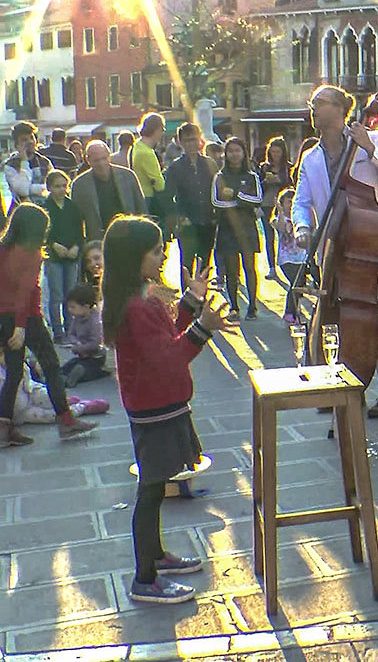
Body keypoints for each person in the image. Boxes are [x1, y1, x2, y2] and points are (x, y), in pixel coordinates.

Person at [101, 215, 232, 604]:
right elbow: (169, 356)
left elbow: (168, 333)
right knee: (152, 488)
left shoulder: (141, 295)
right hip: (154, 404)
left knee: (157, 487)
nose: (163, 256)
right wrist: (204, 328)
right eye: (156, 250)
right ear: (134, 256)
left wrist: (191, 302)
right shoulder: (137, 305)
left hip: (159, 402)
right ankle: (145, 579)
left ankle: (156, 556)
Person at [292, 83, 378, 418]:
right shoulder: (310, 156)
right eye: (312, 104)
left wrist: (370, 150)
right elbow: (301, 201)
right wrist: (302, 227)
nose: (313, 109)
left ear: (341, 109)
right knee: (331, 316)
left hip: (368, 244)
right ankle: (335, 383)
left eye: (320, 103)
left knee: (374, 318)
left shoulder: (367, 142)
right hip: (331, 247)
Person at [0, 203, 98, 447]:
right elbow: (26, 292)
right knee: (52, 366)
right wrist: (20, 327)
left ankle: (3, 429)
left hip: (3, 318)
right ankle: (66, 421)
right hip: (26, 319)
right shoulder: (31, 253)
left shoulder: (3, 249)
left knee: (13, 373)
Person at [211, 137, 264, 321]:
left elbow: (258, 200)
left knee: (250, 267)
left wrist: (238, 197)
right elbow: (216, 202)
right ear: (225, 154)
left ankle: (252, 306)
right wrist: (241, 202)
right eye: (230, 151)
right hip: (227, 228)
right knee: (232, 270)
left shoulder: (252, 176)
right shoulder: (220, 176)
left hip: (247, 228)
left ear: (244, 153)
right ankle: (234, 307)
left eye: (238, 150)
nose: (234, 154)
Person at [163, 123, 219, 288]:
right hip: (187, 223)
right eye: (187, 141)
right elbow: (167, 196)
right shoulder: (175, 167)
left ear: (200, 140)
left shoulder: (209, 164)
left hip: (208, 221)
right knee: (187, 264)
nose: (191, 144)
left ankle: (201, 301)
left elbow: (217, 192)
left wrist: (216, 216)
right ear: (180, 142)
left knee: (205, 264)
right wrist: (179, 216)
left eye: (194, 139)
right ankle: (187, 304)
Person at [72, 140, 147, 240]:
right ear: (88, 160)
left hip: (129, 235)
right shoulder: (80, 184)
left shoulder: (128, 176)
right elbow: (76, 219)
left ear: (109, 156)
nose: (101, 163)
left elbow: (141, 207)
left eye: (104, 158)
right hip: (98, 239)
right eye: (96, 160)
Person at [42, 170, 85, 342]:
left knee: (70, 294)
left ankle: (70, 329)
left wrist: (76, 246)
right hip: (54, 256)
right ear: (50, 188)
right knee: (56, 295)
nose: (61, 190)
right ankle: (58, 333)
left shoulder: (73, 207)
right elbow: (44, 233)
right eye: (57, 186)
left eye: (63, 186)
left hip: (71, 255)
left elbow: (79, 231)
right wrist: (53, 245)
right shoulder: (46, 207)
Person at [259, 136, 293, 281]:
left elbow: (292, 185)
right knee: (269, 236)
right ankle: (272, 267)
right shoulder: (265, 167)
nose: (275, 155)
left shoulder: (288, 167)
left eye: (278, 152)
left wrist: (280, 180)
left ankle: (291, 263)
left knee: (288, 235)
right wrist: (265, 181)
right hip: (267, 204)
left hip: (284, 205)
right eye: (272, 152)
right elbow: (257, 186)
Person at [61, 283, 109, 387]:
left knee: (83, 368)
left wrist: (80, 348)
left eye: (73, 307)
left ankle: (74, 378)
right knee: (69, 365)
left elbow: (95, 343)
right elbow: (71, 333)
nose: (70, 310)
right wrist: (75, 342)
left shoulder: (95, 321)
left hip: (95, 357)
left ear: (86, 307)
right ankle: (61, 376)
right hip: (82, 355)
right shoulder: (77, 318)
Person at [270, 189, 305, 324]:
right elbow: (281, 227)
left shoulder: (300, 219)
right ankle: (290, 313)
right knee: (294, 283)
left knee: (298, 284)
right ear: (282, 203)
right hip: (287, 259)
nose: (291, 204)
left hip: (301, 257)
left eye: (293, 201)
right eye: (288, 202)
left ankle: (293, 310)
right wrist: (279, 210)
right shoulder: (278, 219)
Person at [5, 121, 52, 213]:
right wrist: (24, 161)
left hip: (45, 210)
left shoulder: (45, 162)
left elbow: (51, 187)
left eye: (31, 138)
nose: (30, 142)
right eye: (24, 140)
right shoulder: (10, 165)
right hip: (21, 212)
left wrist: (30, 188)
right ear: (17, 145)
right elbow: (22, 190)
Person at [132, 114, 168, 233]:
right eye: (162, 129)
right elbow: (160, 184)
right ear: (156, 130)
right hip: (149, 199)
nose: (162, 133)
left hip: (139, 195)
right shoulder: (147, 153)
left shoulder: (137, 145)